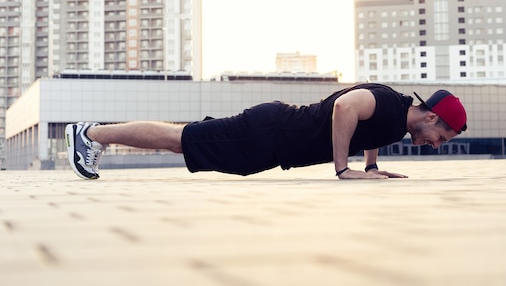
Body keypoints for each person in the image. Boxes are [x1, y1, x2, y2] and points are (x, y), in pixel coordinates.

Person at [65, 83, 467, 181]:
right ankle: (93, 133)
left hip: (270, 144)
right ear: (432, 118)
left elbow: (370, 131)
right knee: (180, 140)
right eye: (442, 138)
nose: (436, 146)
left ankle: (95, 133)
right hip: (269, 131)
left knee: (183, 140)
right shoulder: (388, 101)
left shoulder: (397, 123)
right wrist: (343, 170)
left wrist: (373, 166)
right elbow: (347, 106)